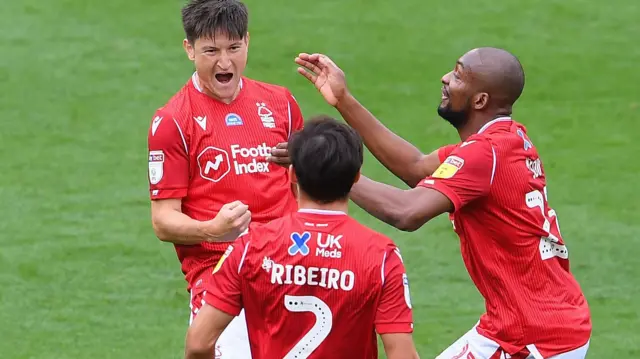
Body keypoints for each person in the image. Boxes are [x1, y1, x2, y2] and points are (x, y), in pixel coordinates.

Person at [295, 48, 591, 359]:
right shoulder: (503, 141)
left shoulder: (484, 155)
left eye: (459, 75)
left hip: (533, 336)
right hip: (526, 323)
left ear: (480, 101)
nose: (446, 78)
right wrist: (344, 99)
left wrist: (321, 169)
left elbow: (406, 212)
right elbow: (415, 167)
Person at [184, 116, 420, 359]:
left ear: (292, 174)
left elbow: (199, 344)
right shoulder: (381, 256)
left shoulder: (249, 247)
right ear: (355, 178)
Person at [146, 0, 304, 357]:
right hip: (219, 275)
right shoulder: (173, 121)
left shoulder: (281, 104)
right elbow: (162, 220)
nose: (224, 62)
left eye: (234, 48)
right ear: (189, 49)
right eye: (211, 51)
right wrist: (212, 229)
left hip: (290, 267)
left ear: (247, 41)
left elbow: (307, 193)